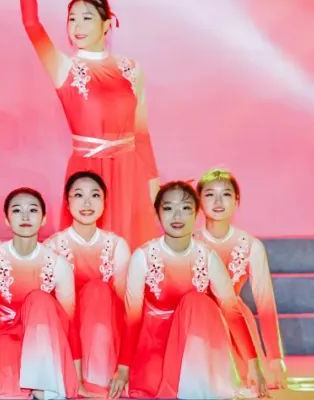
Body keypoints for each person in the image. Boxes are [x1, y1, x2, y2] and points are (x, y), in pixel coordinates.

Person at [18, 0, 159, 247]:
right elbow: (31, 23)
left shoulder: (131, 69)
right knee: (88, 254)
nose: (77, 26)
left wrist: (153, 185)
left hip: (130, 173)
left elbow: (142, 134)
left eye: (86, 18)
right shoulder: (64, 67)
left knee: (131, 255)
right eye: (71, 19)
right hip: (87, 174)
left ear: (107, 25)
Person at [115, 182, 267, 399]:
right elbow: (132, 318)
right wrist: (123, 368)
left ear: (197, 214)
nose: (177, 215)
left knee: (198, 301)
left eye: (186, 208)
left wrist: (254, 365)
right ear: (157, 215)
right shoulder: (143, 256)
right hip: (156, 343)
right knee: (156, 388)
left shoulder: (207, 256)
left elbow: (232, 311)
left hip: (195, 342)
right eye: (168, 208)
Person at [0, 187, 77, 399]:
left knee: (39, 299)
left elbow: (68, 321)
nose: (25, 216)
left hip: (43, 338)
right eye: (17, 210)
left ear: (44, 218)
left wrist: (76, 374)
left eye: (33, 210)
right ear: (7, 219)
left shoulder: (58, 264)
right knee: (8, 386)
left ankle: (45, 383)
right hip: (3, 337)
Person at [196, 169, 286, 391]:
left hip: (234, 323)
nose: (218, 201)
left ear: (237, 201)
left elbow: (265, 303)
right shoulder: (188, 241)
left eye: (226, 194)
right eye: (210, 194)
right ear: (198, 201)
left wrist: (275, 357)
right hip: (195, 324)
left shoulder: (250, 245)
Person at [46, 171, 130, 394]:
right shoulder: (52, 246)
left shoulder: (116, 245)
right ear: (67, 203)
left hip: (107, 332)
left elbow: (125, 305)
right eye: (78, 195)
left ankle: (97, 380)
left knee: (98, 291)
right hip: (67, 333)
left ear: (104, 202)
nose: (87, 203)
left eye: (95, 195)